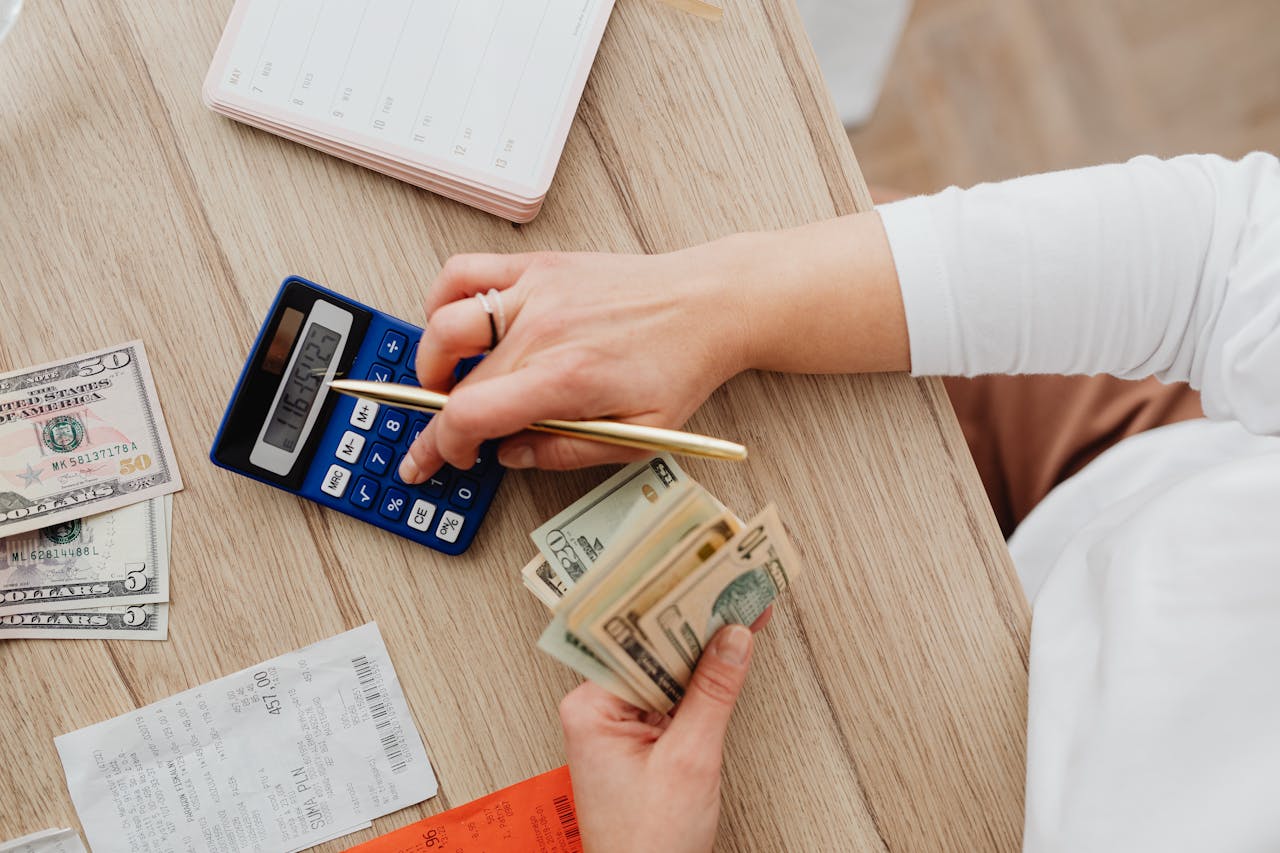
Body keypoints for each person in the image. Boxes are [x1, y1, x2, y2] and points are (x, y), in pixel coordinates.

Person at [401, 152, 1280, 852]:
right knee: (761, 199)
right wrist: (714, 303)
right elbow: (1222, 257)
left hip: (974, 792)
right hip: (1138, 475)